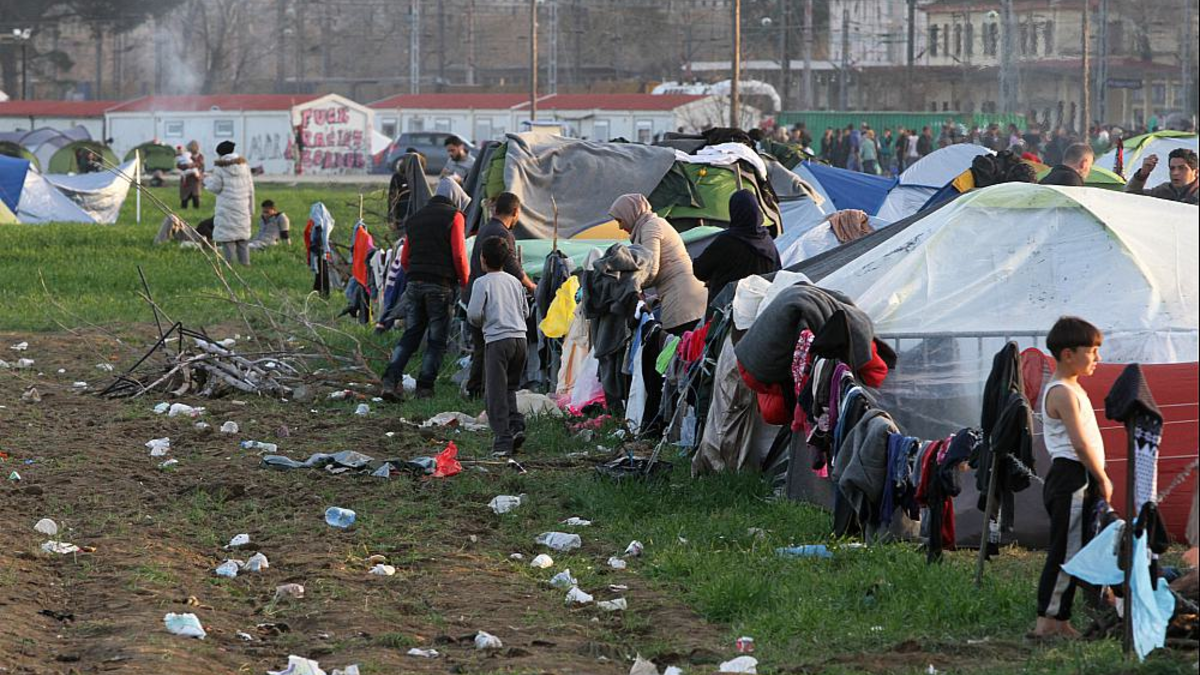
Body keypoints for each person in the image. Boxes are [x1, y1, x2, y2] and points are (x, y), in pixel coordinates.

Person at [1031, 316, 1112, 640]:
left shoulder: (1073, 388)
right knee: (1065, 551)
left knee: (1075, 548)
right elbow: (1079, 443)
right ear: (1068, 354)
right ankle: (1047, 622)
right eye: (1091, 351)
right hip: (1071, 477)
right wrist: (1101, 477)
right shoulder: (1062, 392)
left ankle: (1060, 619)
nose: (1097, 358)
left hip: (1077, 478)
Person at [379, 179, 471, 400]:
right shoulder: (454, 216)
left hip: (414, 282)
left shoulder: (416, 218)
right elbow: (459, 253)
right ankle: (425, 388)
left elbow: (404, 258)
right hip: (440, 285)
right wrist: (464, 281)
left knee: (411, 333)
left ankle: (390, 381)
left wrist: (415, 274)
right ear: (455, 197)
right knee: (437, 340)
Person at [464, 192, 536, 398]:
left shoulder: (486, 228)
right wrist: (531, 285)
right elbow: (512, 265)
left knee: (480, 349)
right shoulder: (503, 234)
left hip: (476, 296)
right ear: (515, 212)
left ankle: (476, 390)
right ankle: (486, 392)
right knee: (488, 352)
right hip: (493, 307)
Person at [466, 236, 530, 456]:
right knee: (510, 388)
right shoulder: (514, 281)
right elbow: (526, 312)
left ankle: (502, 440)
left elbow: (473, 314)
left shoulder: (482, 282)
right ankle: (516, 426)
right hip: (520, 340)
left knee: (494, 391)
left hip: (497, 340)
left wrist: (485, 320)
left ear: (483, 259)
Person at [608, 193, 705, 335]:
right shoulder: (650, 226)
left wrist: (630, 287)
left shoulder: (651, 227)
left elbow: (651, 269)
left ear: (630, 213)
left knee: (677, 348)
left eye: (620, 220)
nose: (620, 227)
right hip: (683, 295)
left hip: (681, 298)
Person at [693, 190, 781, 307]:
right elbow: (778, 271)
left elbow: (700, 271)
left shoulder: (727, 241)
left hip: (725, 311)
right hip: (760, 307)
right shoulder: (767, 240)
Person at [204, 140, 255, 266]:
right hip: (243, 207)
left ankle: (229, 266)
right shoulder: (244, 166)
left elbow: (216, 187)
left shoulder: (220, 167)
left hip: (227, 208)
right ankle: (246, 264)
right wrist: (251, 209)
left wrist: (206, 180)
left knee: (228, 239)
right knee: (242, 239)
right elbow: (251, 188)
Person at [1124, 148, 1199, 204]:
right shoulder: (1164, 190)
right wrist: (1142, 174)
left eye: (1182, 168)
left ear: (1196, 172)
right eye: (1172, 168)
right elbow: (1130, 198)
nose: (1175, 173)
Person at [179, 140, 204, 209]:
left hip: (195, 179)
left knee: (196, 196)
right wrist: (187, 166)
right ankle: (183, 209)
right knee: (184, 197)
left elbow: (200, 164)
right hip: (186, 179)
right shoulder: (184, 155)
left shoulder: (200, 156)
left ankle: (196, 209)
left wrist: (192, 165)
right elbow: (179, 165)